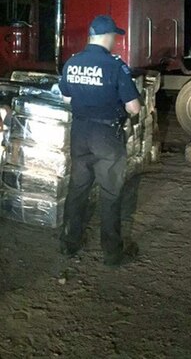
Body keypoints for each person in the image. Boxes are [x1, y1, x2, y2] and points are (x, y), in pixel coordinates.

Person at [58, 15, 141, 266]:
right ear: (107, 37)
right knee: (110, 193)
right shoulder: (116, 66)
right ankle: (112, 252)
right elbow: (134, 107)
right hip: (106, 136)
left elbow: (66, 98)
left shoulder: (72, 63)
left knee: (78, 189)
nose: (115, 41)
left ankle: (69, 244)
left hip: (80, 133)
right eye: (114, 36)